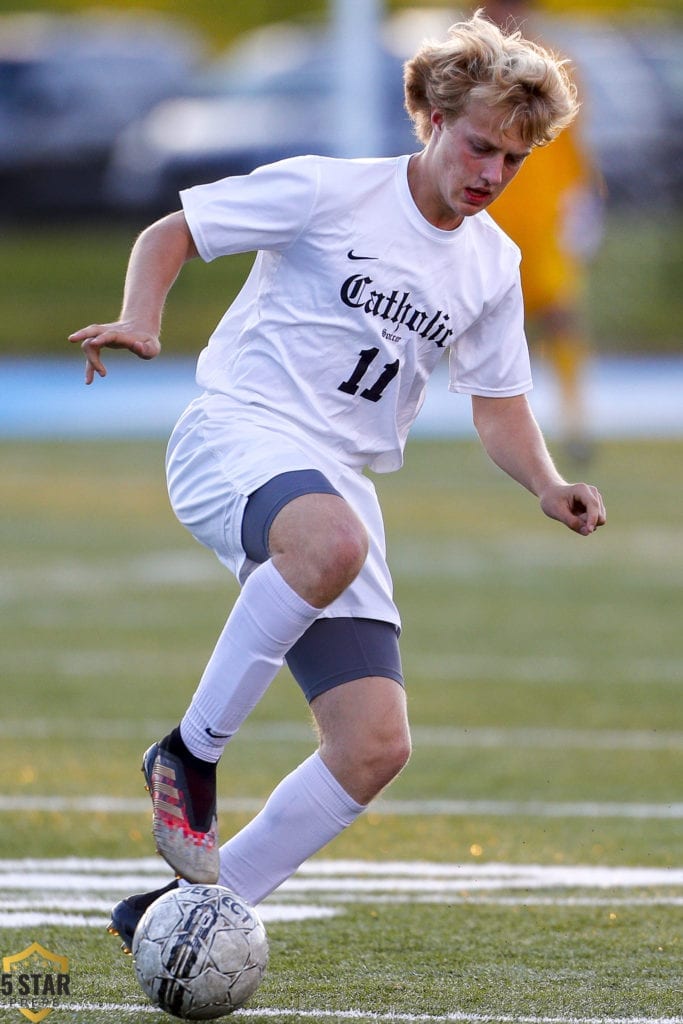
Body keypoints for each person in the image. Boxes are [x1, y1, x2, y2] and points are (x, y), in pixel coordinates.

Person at [69, 10, 606, 953]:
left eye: (512, 161)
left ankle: (184, 915)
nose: (490, 173)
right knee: (328, 543)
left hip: (338, 482)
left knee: (372, 747)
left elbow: (499, 408)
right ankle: (189, 755)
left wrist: (546, 483)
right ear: (433, 119)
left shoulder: (492, 263)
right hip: (238, 432)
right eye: (480, 146)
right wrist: (141, 322)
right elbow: (171, 232)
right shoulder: (327, 190)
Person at [482, 0, 605, 463]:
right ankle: (499, 431)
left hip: (542, 215)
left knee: (560, 314)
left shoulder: (556, 67)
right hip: (492, 210)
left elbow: (572, 144)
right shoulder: (472, 69)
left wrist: (584, 200)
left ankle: (576, 422)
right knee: (489, 325)